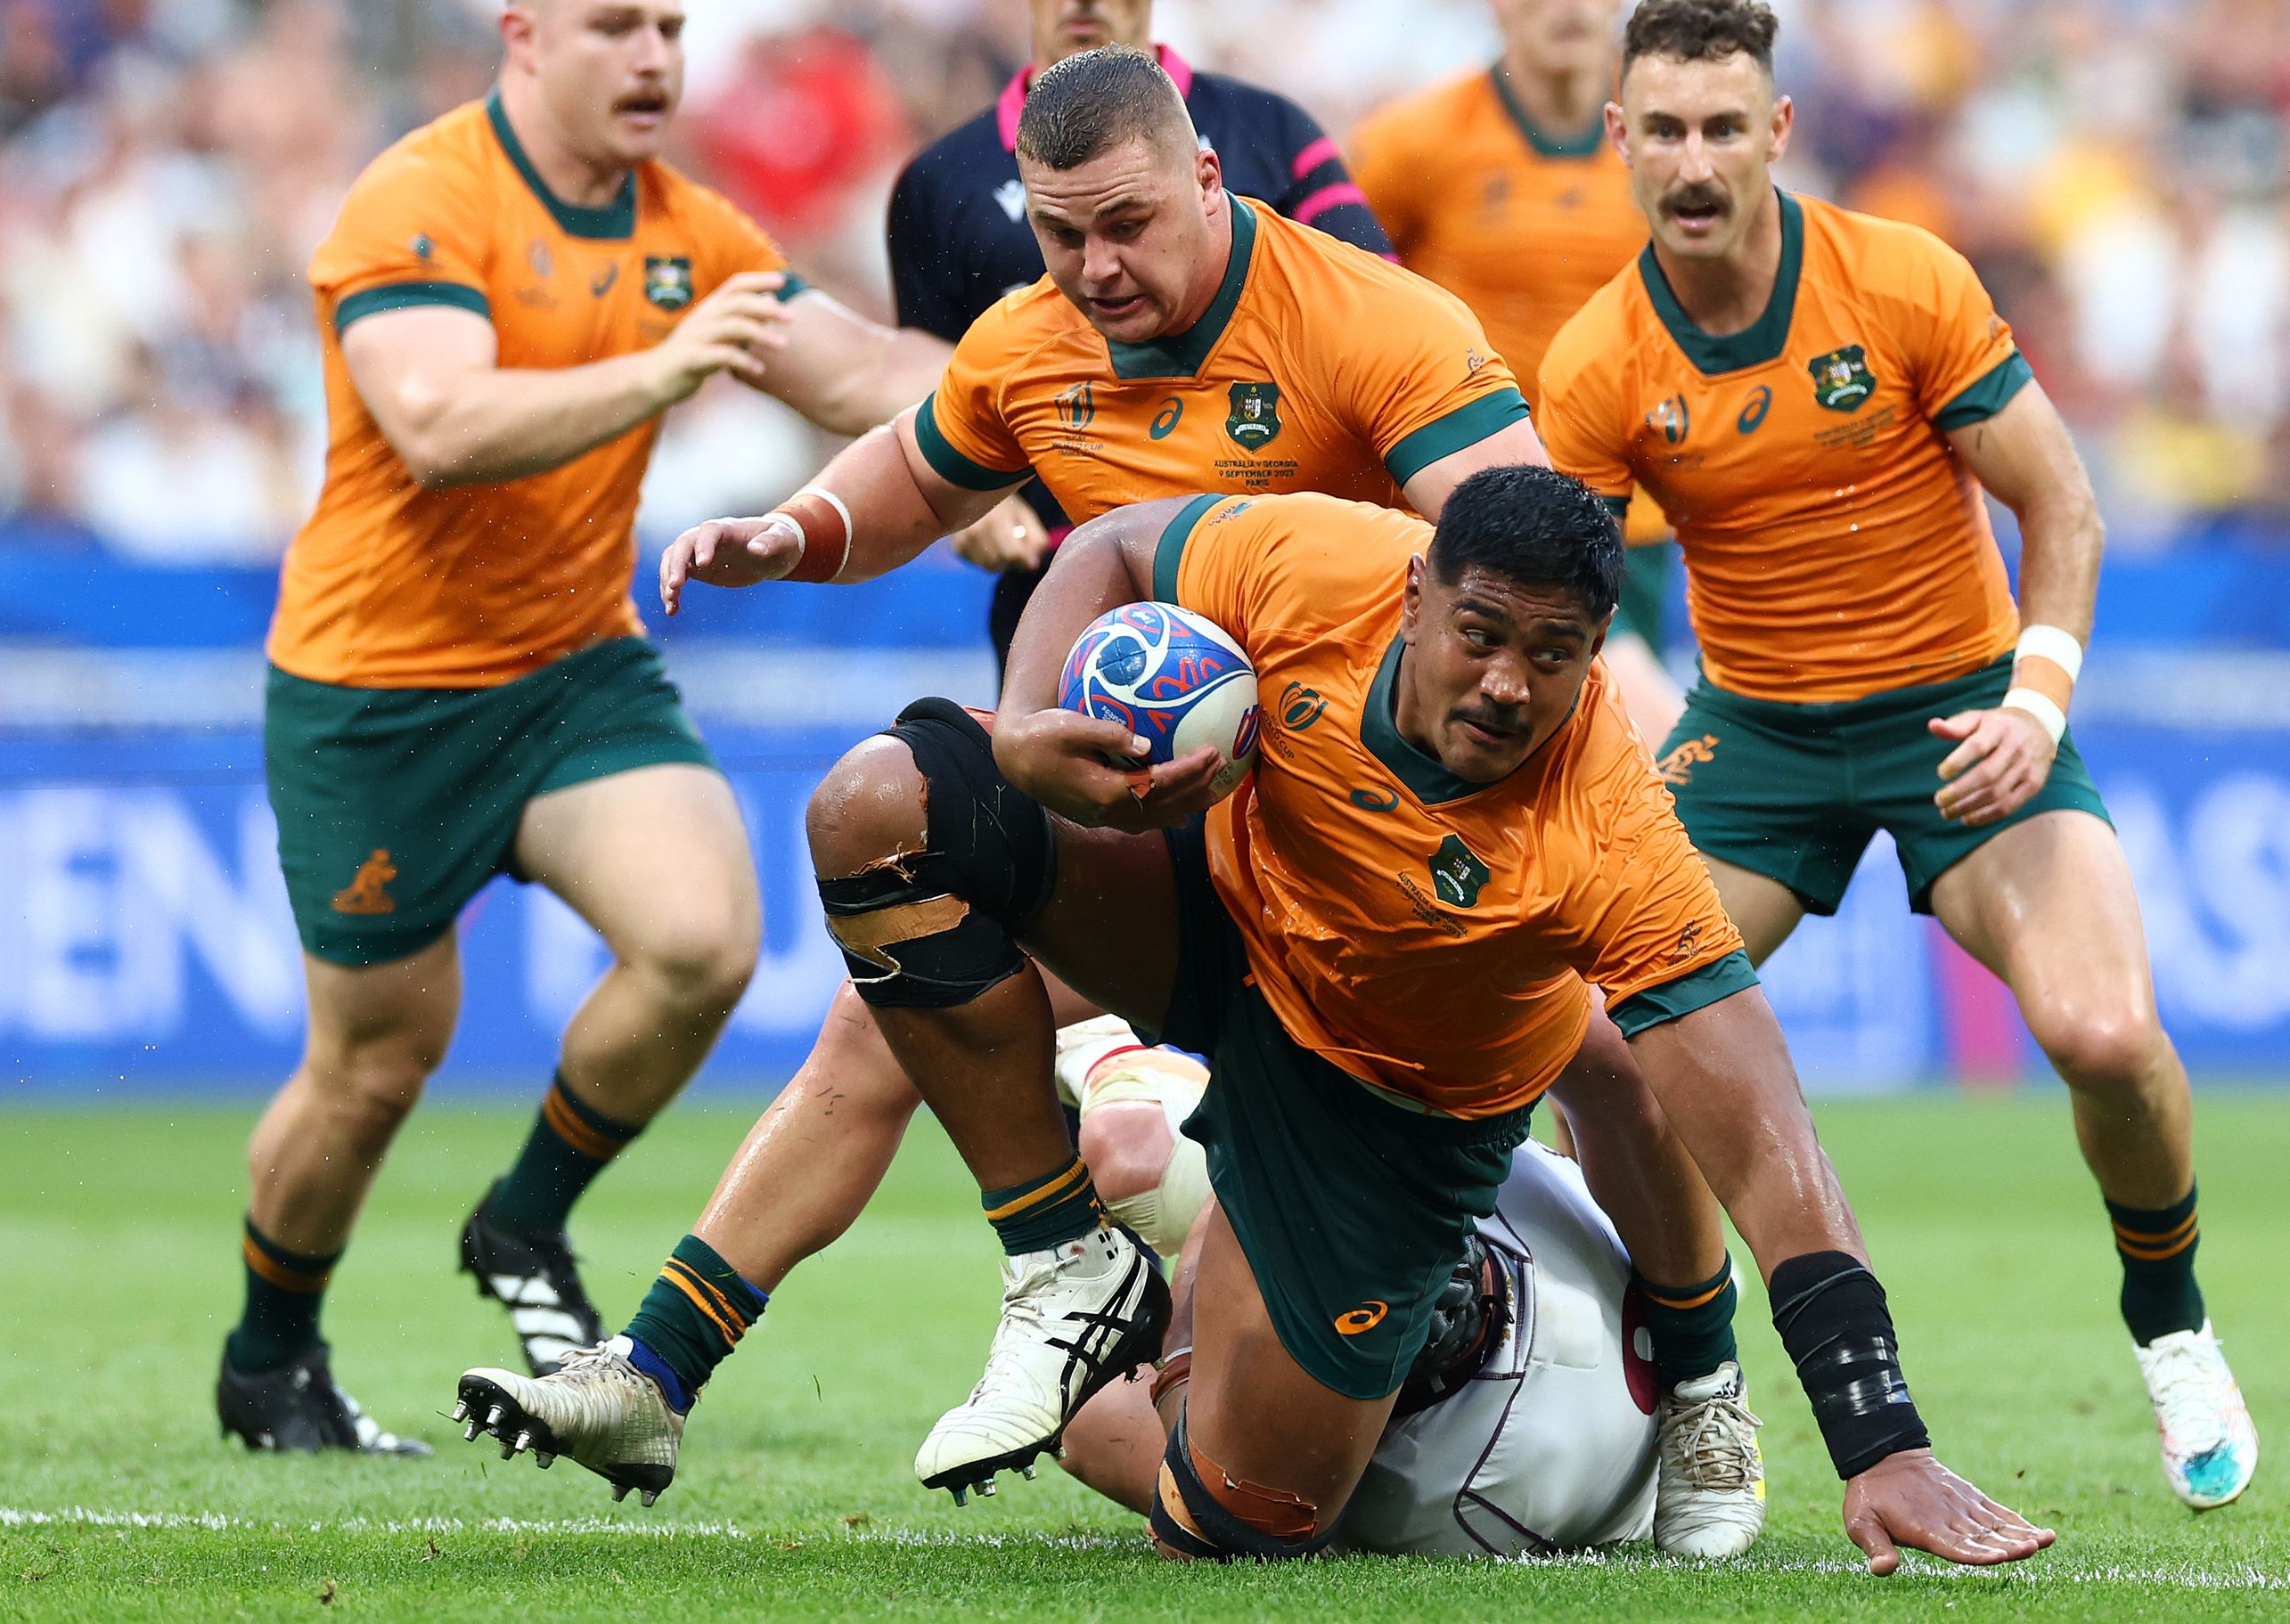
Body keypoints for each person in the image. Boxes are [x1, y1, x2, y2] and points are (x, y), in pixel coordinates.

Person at [452, 48, 1755, 1544]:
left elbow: (1524, 558)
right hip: (1147, 828)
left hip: (1356, 841)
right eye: (1062, 235)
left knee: (1611, 1044)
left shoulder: (1374, 324)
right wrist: (793, 533)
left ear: (1209, 174)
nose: (1093, 266)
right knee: (885, 990)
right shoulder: (1030, 336)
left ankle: (1703, 1376)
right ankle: (700, 1354)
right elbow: (918, 470)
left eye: (1125, 226)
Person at [456, 472, 2054, 1576]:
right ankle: (1063, 1245)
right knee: (881, 806)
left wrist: (1878, 1431)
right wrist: (1021, 730)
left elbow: (1766, 1135)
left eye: (1556, 655)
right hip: (1218, 922)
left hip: (1389, 1112)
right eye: (1481, 631)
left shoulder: (1608, 829)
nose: (1507, 683)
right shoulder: (1317, 560)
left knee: (1239, 1520)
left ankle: (1151, 1344)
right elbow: (1115, 545)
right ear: (1417, 589)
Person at [1536, 0, 2257, 1508]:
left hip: (1962, 716)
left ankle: (2170, 1314)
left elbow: (2063, 507)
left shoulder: (1904, 278)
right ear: (1620, 143)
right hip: (1756, 738)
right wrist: (1629, 688)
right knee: (1601, 1047)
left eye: (1723, 126)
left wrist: (2036, 704)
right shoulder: (1600, 360)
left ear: (1777, 134)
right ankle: (1701, 1376)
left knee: (2108, 1035)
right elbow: (1568, 601)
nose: (1693, 158)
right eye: (1662, 128)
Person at [217, 0, 951, 1456]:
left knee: (703, 941)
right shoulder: (423, 195)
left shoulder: (688, 227)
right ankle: (269, 1353)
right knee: (373, 1062)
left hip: (571, 666)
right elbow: (435, 418)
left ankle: (522, 1219)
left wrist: (1016, 432)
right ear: (526, 36)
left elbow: (866, 370)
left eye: (672, 28)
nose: (656, 60)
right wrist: (665, 370)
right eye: (617, 26)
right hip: (378, 692)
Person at [887, 0, 1391, 681]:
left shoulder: (1267, 130)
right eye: (1061, 231)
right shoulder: (942, 179)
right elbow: (922, 372)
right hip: (1065, 587)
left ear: (1205, 176)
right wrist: (972, 496)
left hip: (1285, 577)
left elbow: (1376, 315)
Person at [1058, 1127, 1673, 1558]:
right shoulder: (1518, 1178)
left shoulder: (1444, 1498)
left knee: (1085, 1407)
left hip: (1556, 1462)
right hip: (1621, 1345)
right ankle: (1710, 1371)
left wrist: (1186, 1351)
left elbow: (1143, 1457)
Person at [1348, 0, 1684, 746]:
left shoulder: (1673, 148)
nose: (1567, 8)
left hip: (1627, 516)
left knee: (1613, 763)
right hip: (1464, 508)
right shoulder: (1413, 145)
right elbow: (1331, 295)